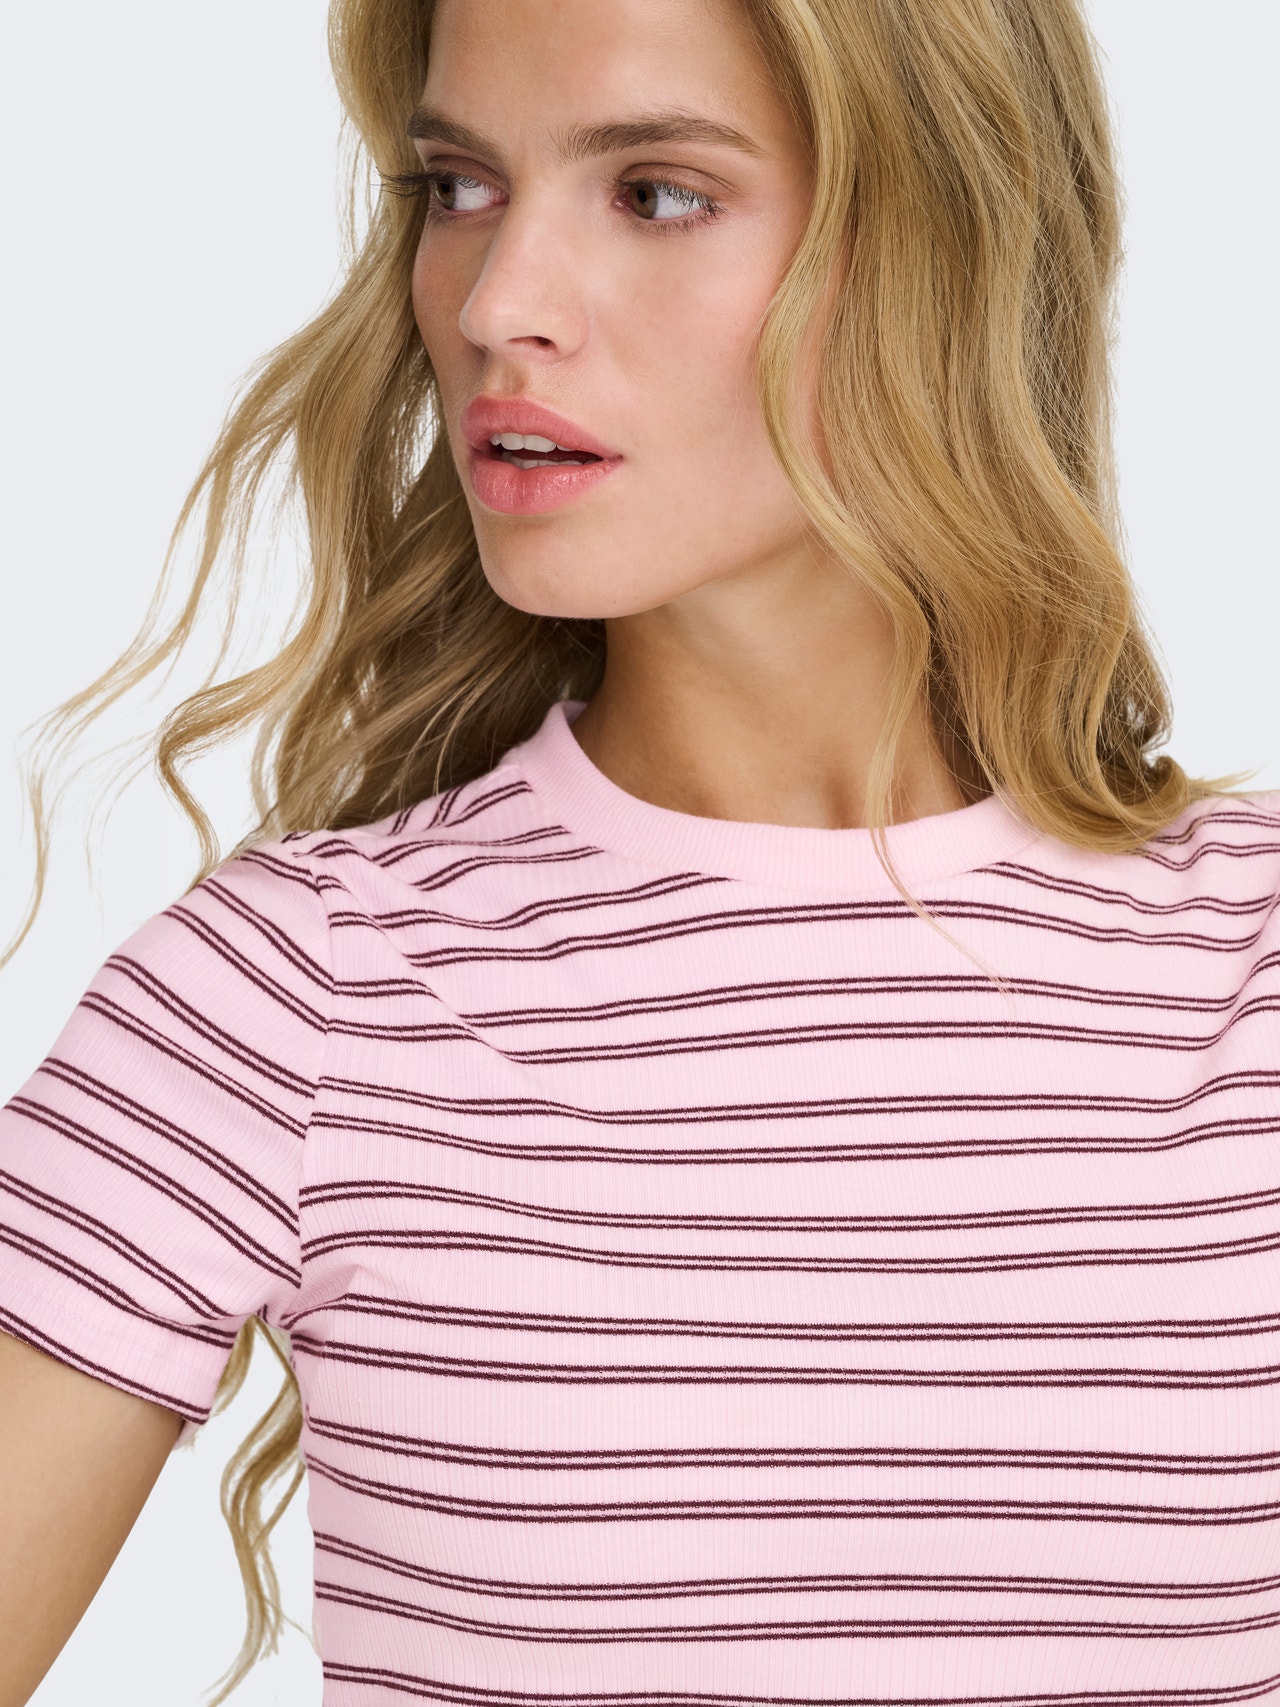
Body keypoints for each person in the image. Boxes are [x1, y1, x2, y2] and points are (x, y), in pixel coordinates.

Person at [2, 0, 1278, 1703]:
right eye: (459, 188)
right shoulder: (291, 995)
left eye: (658, 193)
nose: (496, 304)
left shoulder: (1253, 972)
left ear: (949, 244)